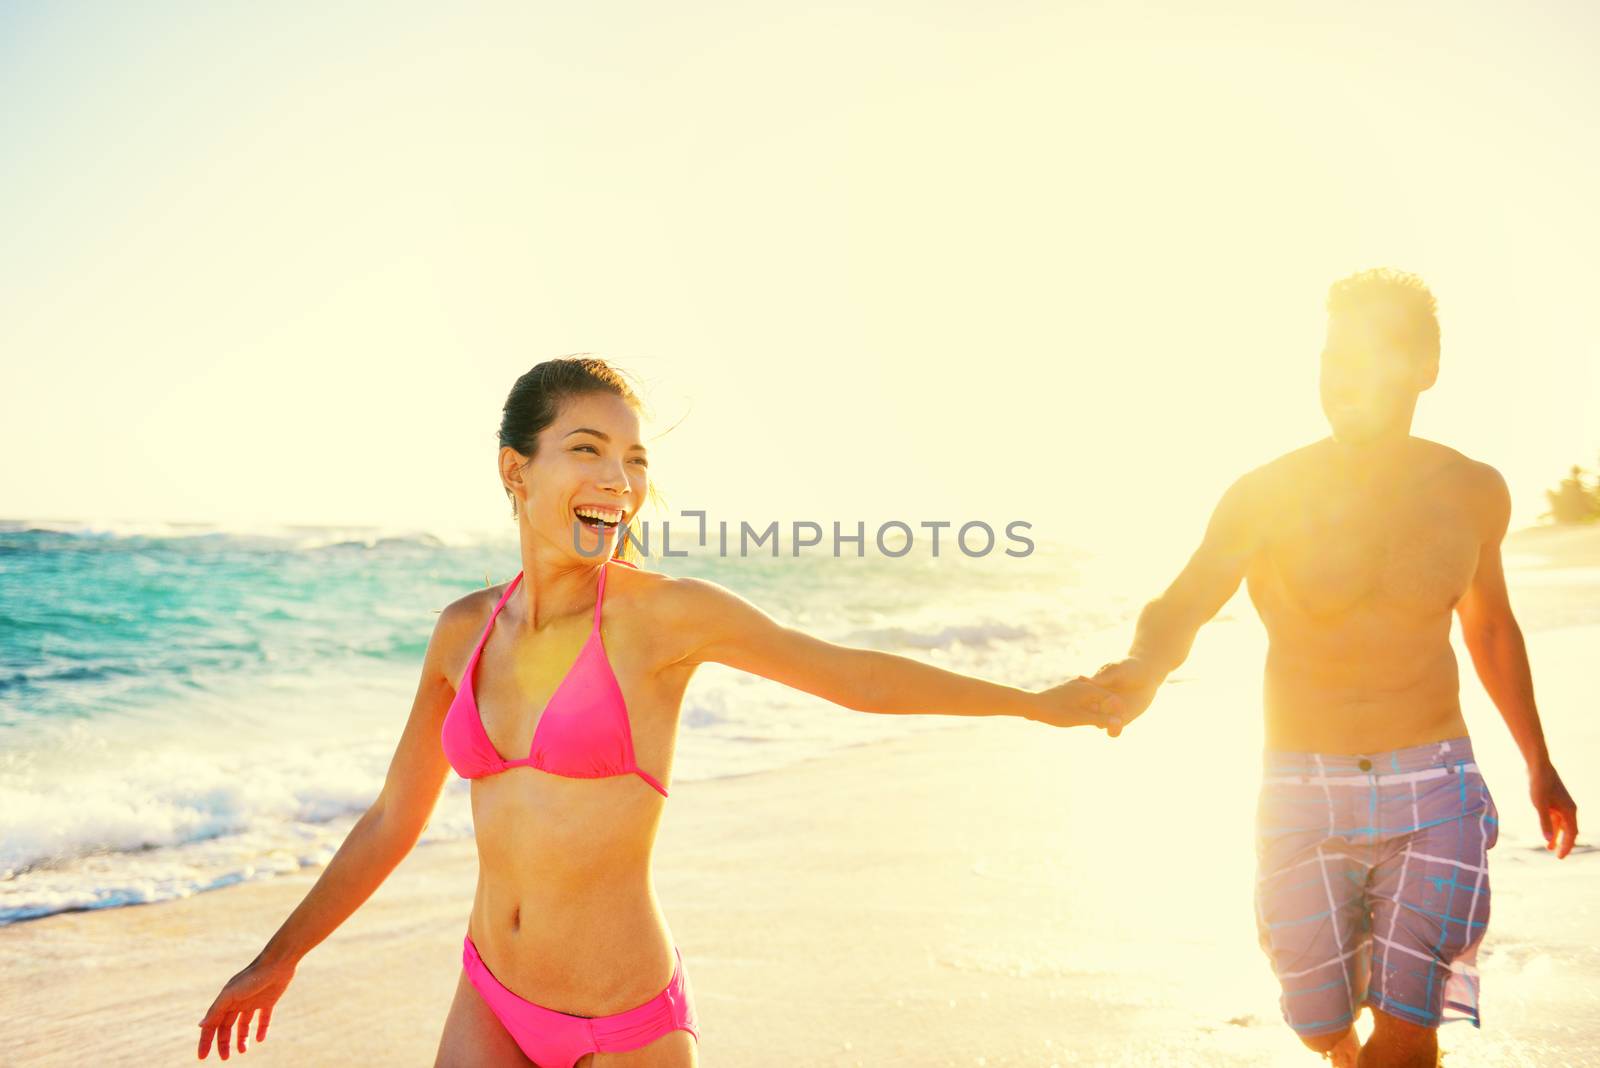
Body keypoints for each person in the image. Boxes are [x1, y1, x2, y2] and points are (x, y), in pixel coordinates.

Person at [196, 356, 1118, 1066]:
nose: (618, 482)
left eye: (633, 460)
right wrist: (281, 956)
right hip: (489, 994)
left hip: (621, 1020)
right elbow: (397, 816)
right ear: (516, 470)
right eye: (587, 450)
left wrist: (1038, 704)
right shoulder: (463, 631)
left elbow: (854, 679)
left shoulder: (662, 618)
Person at [1090, 269, 1580, 1068]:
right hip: (1299, 788)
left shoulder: (1472, 490)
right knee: (1319, 1022)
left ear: (1426, 368)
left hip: (1437, 786)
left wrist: (1539, 763)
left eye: (1369, 355)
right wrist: (1144, 667)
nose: (1342, 376)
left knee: (1408, 1027)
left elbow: (1490, 628)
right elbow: (1182, 601)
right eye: (1331, 358)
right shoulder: (1266, 493)